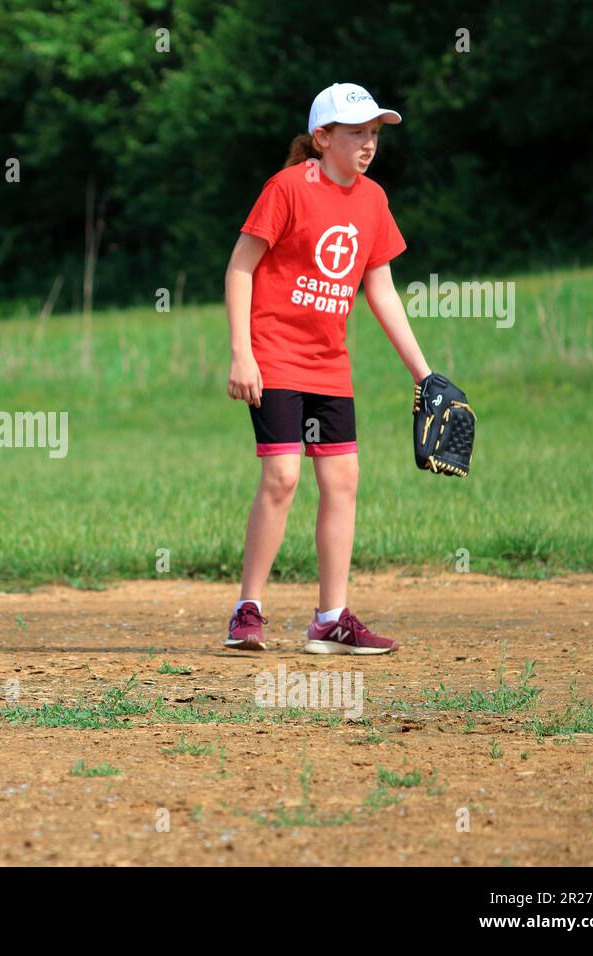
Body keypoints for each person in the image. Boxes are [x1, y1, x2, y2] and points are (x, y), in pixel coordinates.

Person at [224, 83, 434, 655]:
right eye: (356, 133)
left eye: (374, 134)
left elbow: (382, 292)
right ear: (322, 139)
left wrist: (423, 372)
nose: (368, 144)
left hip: (328, 364)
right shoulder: (288, 188)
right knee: (283, 477)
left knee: (342, 481)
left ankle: (330, 619)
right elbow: (240, 268)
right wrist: (243, 353)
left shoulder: (372, 200)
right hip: (276, 355)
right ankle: (248, 609)